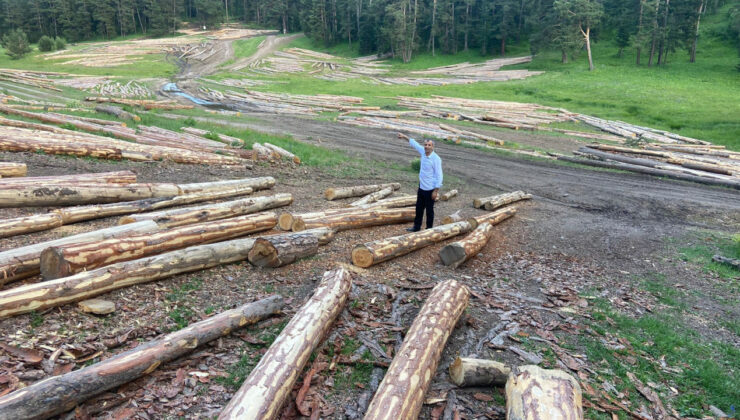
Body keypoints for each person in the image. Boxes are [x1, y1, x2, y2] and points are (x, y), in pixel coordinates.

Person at [398, 132, 443, 232]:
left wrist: (436, 191)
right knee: (419, 209)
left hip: (430, 189)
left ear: (433, 147)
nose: (426, 147)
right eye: (425, 145)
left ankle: (429, 229)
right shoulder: (423, 152)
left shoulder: (436, 159)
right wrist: (404, 136)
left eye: (429, 145)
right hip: (421, 187)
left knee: (429, 211)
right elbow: (414, 144)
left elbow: (439, 175)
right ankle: (416, 227)